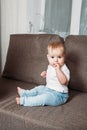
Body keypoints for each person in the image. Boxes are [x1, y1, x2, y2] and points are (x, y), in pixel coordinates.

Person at [16, 42, 70, 106]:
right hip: (48, 89)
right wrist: (46, 74)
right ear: (48, 57)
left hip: (59, 95)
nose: (56, 60)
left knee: (44, 98)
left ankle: (24, 101)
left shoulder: (64, 69)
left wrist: (58, 70)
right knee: (39, 88)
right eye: (52, 57)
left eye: (59, 57)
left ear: (64, 57)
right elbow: (53, 77)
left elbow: (63, 81)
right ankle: (24, 93)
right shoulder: (50, 66)